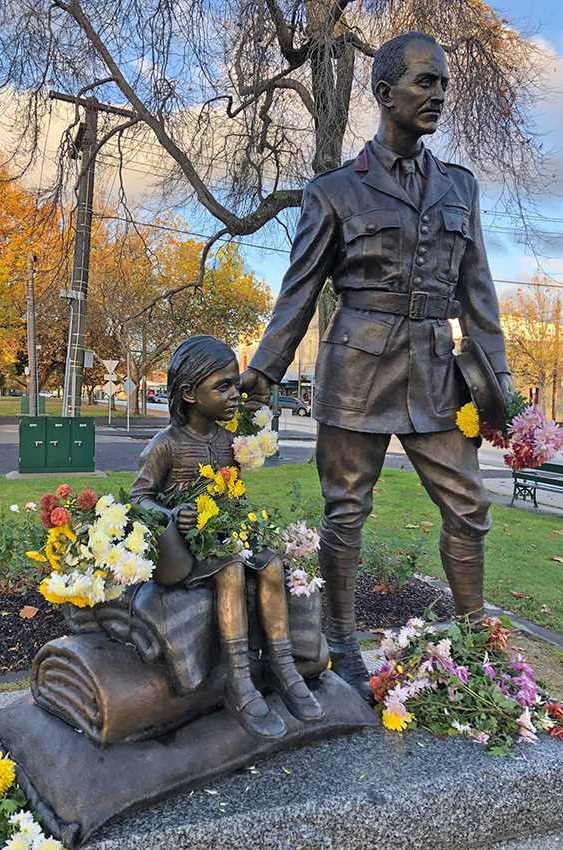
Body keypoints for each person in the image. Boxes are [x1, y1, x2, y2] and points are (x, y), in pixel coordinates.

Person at [241, 32, 512, 702]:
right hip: (357, 369)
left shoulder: (460, 188)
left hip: (435, 374)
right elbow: (299, 289)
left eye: (444, 84)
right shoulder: (334, 191)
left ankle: (475, 640)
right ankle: (340, 642)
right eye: (426, 82)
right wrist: (265, 368)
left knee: (469, 507)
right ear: (385, 93)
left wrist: (501, 388)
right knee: (346, 512)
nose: (439, 96)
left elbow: (478, 294)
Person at [131, 335, 324, 740]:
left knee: (271, 565)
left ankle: (284, 666)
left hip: (226, 531)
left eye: (235, 384)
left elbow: (239, 468)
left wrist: (256, 384)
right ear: (188, 394)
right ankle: (239, 679)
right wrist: (170, 513)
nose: (234, 394)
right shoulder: (165, 445)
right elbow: (139, 498)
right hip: (188, 547)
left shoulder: (228, 440)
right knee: (231, 570)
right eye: (223, 387)